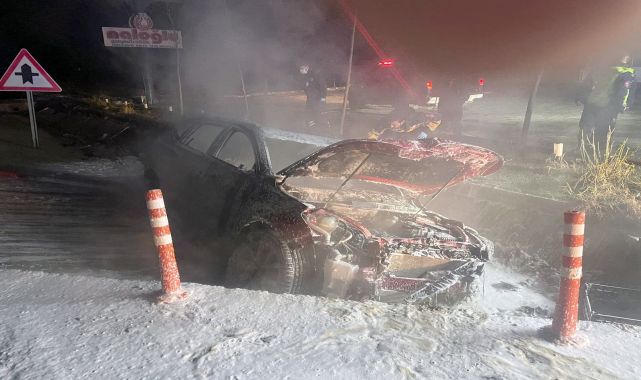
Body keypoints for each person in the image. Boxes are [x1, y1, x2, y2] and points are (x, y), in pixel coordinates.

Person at [578, 56, 635, 150]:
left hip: (597, 104)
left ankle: (585, 150)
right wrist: (622, 105)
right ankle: (596, 152)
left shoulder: (621, 72)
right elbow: (625, 91)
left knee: (588, 127)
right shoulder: (625, 73)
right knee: (600, 130)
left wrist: (580, 97)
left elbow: (624, 91)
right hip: (605, 106)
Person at [299, 64, 327, 129]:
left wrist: (323, 97)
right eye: (300, 69)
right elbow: (305, 86)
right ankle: (311, 125)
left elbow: (322, 86)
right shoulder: (305, 76)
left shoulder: (315, 75)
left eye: (301, 68)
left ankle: (322, 126)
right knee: (309, 111)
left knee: (318, 112)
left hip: (317, 97)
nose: (300, 70)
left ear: (306, 68)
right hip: (310, 97)